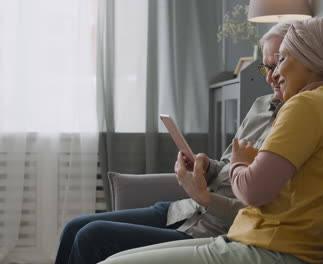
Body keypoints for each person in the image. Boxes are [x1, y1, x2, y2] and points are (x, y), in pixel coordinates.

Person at [97, 16, 323, 264]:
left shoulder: (305, 106)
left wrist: (239, 162)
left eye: (282, 60)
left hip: (271, 250)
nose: (275, 73)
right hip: (258, 241)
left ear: (309, 59)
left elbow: (252, 190)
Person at [54, 21, 294, 264]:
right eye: (266, 68)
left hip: (210, 228)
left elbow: (259, 210)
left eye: (279, 65)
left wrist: (204, 197)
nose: (271, 78)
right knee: (74, 227)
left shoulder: (297, 126)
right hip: (184, 210)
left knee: (90, 237)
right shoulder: (261, 106)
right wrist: (205, 166)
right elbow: (227, 164)